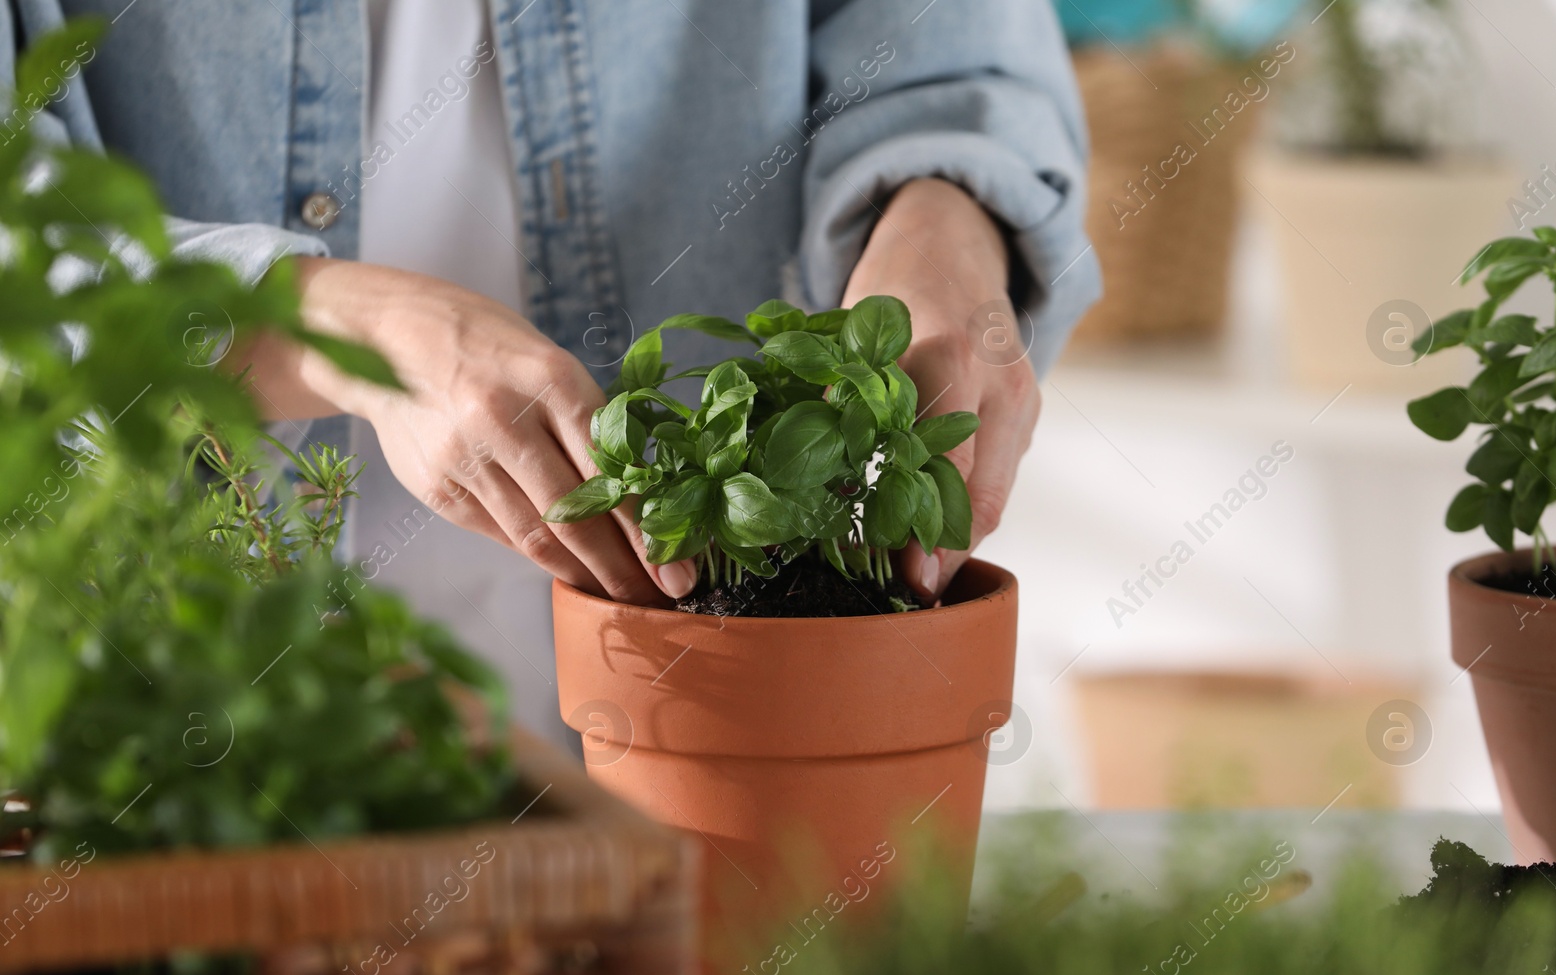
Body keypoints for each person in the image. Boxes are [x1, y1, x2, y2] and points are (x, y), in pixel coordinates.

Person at [6, 0, 1100, 745]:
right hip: (191, 724)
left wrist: (945, 222)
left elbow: (955, 48)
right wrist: (347, 330)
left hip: (700, 764)